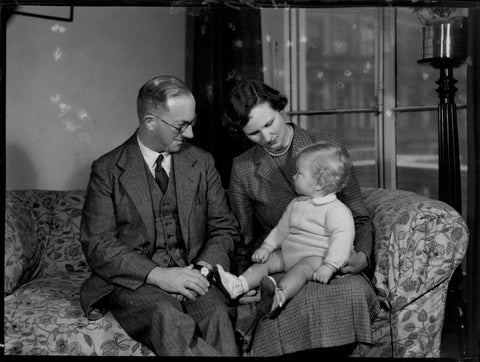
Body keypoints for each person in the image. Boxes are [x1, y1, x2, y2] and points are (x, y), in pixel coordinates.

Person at [79, 75, 240, 356]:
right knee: (167, 316)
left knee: (216, 312)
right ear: (150, 122)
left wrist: (201, 270)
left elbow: (224, 229)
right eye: (181, 126)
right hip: (134, 281)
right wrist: (159, 275)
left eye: (192, 122)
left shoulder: (202, 162)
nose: (190, 134)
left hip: (192, 273)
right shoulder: (107, 169)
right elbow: (98, 244)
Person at [222, 79, 380, 356]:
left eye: (270, 123)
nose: (266, 137)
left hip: (329, 260)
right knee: (278, 311)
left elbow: (359, 216)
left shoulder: (325, 144)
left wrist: (363, 256)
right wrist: (245, 280)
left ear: (280, 108)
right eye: (253, 133)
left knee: (342, 295)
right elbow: (245, 238)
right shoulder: (243, 168)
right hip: (282, 263)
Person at [214, 142, 355, 317]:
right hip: (289, 253)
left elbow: (343, 240)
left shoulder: (336, 210)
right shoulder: (297, 203)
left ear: (319, 184)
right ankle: (238, 285)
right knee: (265, 262)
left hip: (316, 257)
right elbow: (281, 230)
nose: (294, 177)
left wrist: (329, 265)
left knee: (300, 270)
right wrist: (267, 247)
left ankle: (278, 297)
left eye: (299, 173)